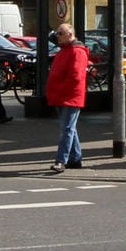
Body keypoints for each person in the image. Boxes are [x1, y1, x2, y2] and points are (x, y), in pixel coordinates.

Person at [46, 22, 89, 172]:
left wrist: (59, 88)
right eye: (57, 33)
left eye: (60, 33)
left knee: (67, 129)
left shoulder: (77, 52)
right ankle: (75, 158)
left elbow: (75, 77)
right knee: (70, 128)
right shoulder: (64, 50)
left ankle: (61, 161)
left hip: (70, 96)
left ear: (70, 35)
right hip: (62, 95)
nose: (57, 36)